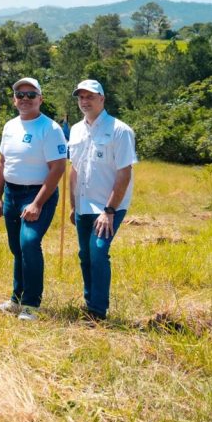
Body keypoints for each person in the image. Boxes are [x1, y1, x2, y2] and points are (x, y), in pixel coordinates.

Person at [0, 77, 68, 321]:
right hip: (11, 194)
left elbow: (58, 168)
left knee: (29, 243)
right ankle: (16, 298)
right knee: (16, 248)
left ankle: (31, 304)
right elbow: (3, 162)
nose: (25, 99)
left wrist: (37, 203)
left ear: (40, 99)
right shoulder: (9, 126)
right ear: (14, 99)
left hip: (37, 194)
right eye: (20, 94)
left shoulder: (50, 128)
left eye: (31, 94)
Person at [68, 79, 136, 321]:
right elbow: (75, 168)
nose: (85, 101)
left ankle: (98, 311)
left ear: (102, 99)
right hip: (83, 204)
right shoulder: (75, 130)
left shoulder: (120, 130)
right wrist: (73, 204)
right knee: (85, 254)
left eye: (90, 97)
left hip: (108, 207)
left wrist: (109, 210)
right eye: (81, 97)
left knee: (98, 252)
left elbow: (124, 172)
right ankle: (89, 302)